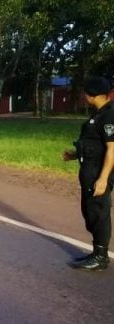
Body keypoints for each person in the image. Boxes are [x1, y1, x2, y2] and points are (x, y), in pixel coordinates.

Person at [63, 76, 114, 271]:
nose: (84, 96)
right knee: (90, 211)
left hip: (98, 173)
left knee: (98, 212)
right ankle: (96, 252)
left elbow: (112, 149)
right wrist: (75, 155)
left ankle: (101, 257)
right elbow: (94, 144)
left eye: (86, 93)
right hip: (89, 170)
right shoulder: (98, 114)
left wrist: (103, 179)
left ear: (93, 95)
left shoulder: (109, 115)